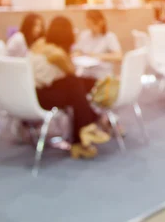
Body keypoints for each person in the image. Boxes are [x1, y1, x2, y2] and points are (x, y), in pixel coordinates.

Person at [29, 16, 110, 159]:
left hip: (31, 92)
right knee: (76, 88)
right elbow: (71, 69)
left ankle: (87, 128)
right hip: (42, 98)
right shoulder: (57, 53)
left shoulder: (40, 43)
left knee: (75, 85)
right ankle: (89, 125)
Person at [73, 10, 122, 80]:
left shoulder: (109, 37)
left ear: (101, 22)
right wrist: (76, 55)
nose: (92, 27)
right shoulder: (84, 35)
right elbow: (77, 51)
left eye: (93, 24)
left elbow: (118, 56)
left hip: (101, 75)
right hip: (85, 73)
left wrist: (97, 56)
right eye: (89, 24)